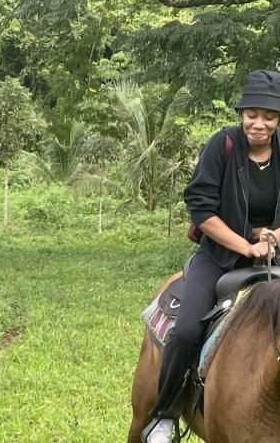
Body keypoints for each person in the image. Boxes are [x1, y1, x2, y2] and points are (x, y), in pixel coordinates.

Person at [143, 69, 280, 443]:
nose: (260, 123)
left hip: (274, 257)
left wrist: (274, 235)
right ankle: (165, 413)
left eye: (269, 116)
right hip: (219, 257)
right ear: (241, 113)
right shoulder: (222, 146)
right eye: (253, 113)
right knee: (187, 328)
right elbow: (202, 212)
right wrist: (247, 245)